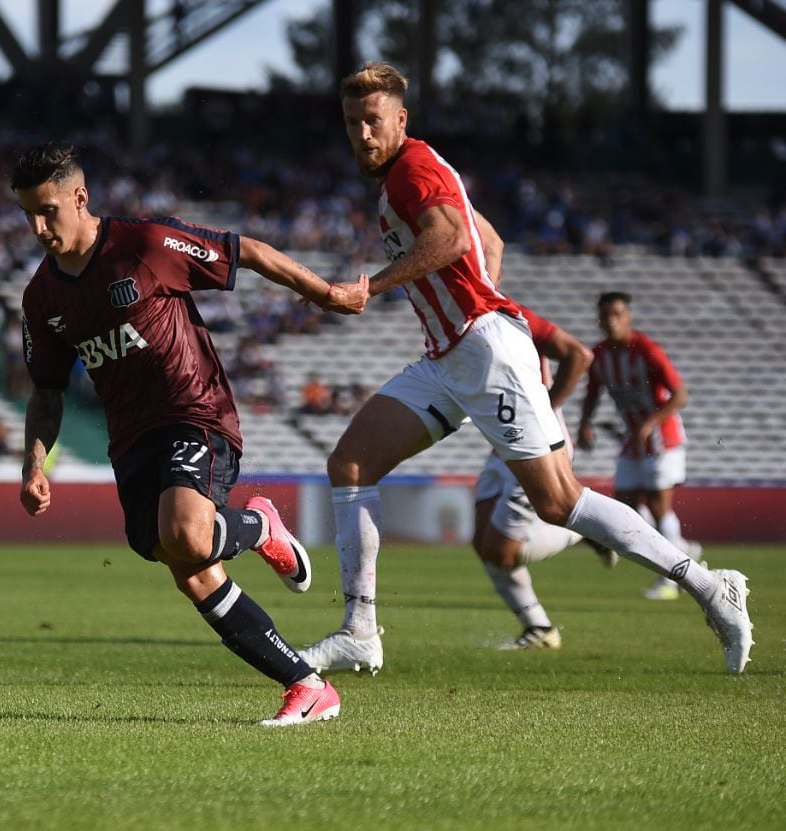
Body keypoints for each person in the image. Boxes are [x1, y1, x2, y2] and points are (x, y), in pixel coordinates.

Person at [298, 62, 752, 677]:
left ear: (400, 119)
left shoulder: (411, 171)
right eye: (352, 124)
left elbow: (454, 240)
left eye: (373, 122)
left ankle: (708, 586)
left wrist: (370, 288)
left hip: (483, 351)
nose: (362, 135)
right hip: (452, 354)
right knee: (350, 463)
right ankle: (359, 631)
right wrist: (476, 298)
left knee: (559, 501)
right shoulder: (412, 173)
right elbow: (488, 243)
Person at [12, 142, 362, 726]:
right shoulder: (40, 297)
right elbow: (46, 393)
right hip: (129, 440)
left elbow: (242, 251)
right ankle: (306, 685)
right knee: (181, 562)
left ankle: (257, 525)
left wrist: (324, 293)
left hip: (193, 410)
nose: (37, 226)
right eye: (27, 214)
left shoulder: (145, 245)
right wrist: (33, 466)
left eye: (48, 209)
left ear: (80, 197)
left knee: (189, 536)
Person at [472, 303, 613, 650]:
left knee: (503, 552)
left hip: (534, 445)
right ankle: (539, 628)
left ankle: (585, 530)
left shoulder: (506, 312)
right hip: (500, 444)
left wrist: (541, 416)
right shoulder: (454, 315)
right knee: (482, 542)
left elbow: (579, 356)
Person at [577, 292, 700, 601]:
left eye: (618, 314)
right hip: (632, 440)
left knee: (659, 507)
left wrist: (651, 421)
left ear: (628, 316)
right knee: (627, 507)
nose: (612, 320)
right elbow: (592, 393)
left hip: (664, 438)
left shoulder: (647, 350)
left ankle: (671, 580)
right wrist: (584, 423)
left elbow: (680, 394)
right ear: (599, 320)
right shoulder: (600, 355)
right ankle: (683, 549)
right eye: (606, 315)